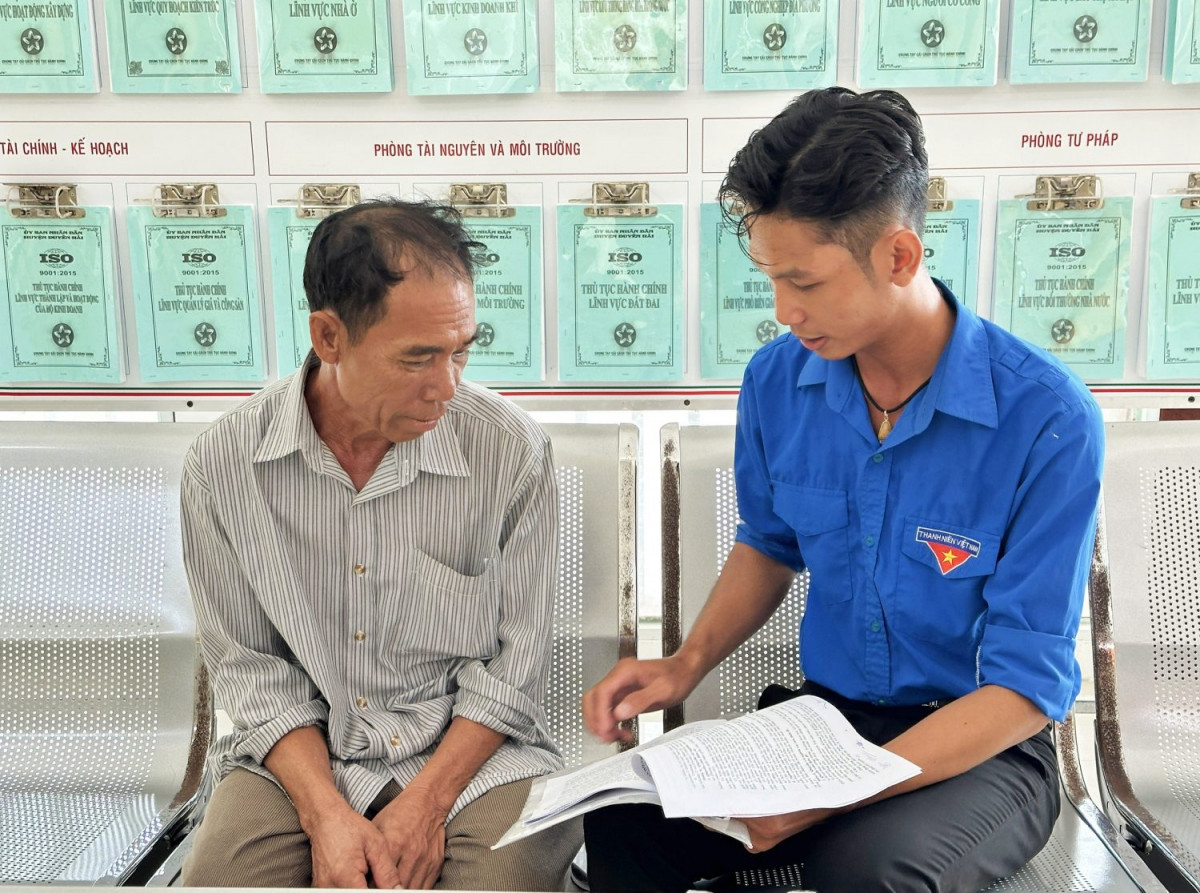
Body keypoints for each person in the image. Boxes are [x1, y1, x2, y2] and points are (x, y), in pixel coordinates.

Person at [582, 87, 1104, 892]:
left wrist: (833, 798)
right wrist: (685, 663)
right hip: (827, 726)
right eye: (770, 279)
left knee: (865, 868)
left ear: (899, 256)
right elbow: (769, 542)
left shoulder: (1047, 419)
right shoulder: (777, 381)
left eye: (806, 282)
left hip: (982, 748)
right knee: (626, 819)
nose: (784, 311)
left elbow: (1025, 688)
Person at [179, 199, 580, 890]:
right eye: (418, 358)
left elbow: (516, 668)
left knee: (505, 878)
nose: (447, 386)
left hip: (476, 758)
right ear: (329, 337)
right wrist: (325, 815)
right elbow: (251, 670)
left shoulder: (510, 449)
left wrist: (426, 805)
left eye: (461, 350)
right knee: (223, 881)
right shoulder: (223, 466)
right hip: (299, 760)